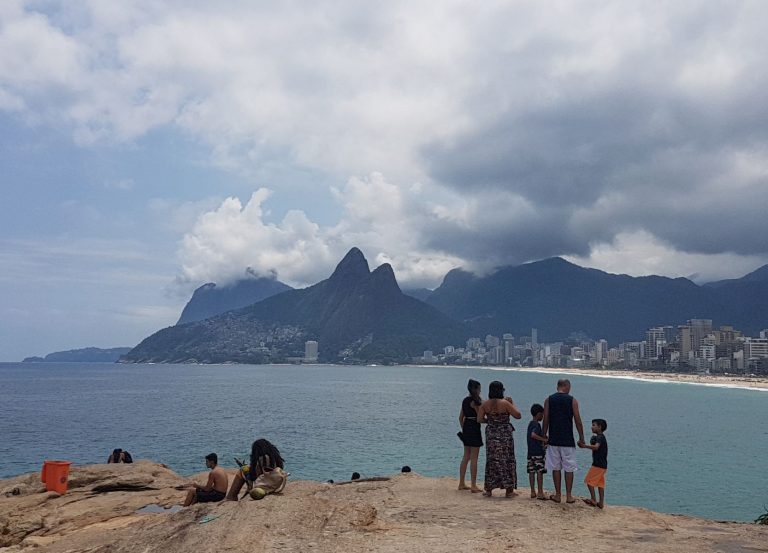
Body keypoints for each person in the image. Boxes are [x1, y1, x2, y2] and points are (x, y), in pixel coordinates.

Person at [542, 379, 585, 504]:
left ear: (558, 387)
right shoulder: (572, 400)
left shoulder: (548, 400)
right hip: (567, 439)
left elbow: (546, 419)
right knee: (569, 468)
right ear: (566, 386)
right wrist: (581, 437)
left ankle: (558, 495)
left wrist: (544, 435)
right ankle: (569, 496)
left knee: (555, 467)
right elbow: (577, 420)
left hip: (554, 439)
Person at [476, 380, 521, 497]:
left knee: (492, 460)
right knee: (507, 460)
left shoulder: (485, 404)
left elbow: (479, 419)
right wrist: (512, 403)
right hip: (505, 434)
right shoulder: (505, 403)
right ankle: (509, 490)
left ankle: (489, 489)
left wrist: (491, 421)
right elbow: (518, 415)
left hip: (491, 434)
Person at [458, 378, 483, 492]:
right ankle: (473, 485)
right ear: (476, 389)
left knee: (466, 456)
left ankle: (461, 483)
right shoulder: (476, 401)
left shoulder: (464, 400)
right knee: (474, 458)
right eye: (479, 389)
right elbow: (479, 417)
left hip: (466, 425)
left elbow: (460, 418)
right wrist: (476, 408)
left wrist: (464, 429)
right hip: (474, 427)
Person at [579, 419, 608, 509]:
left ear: (599, 427)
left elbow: (596, 447)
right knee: (600, 484)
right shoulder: (600, 437)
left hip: (598, 465)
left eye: (594, 425)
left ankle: (593, 500)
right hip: (603, 465)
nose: (592, 427)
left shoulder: (600, 437)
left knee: (589, 482)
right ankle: (601, 503)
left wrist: (584, 446)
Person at [526, 403, 548, 500]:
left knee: (531, 472)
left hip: (530, 453)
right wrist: (544, 440)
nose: (543, 416)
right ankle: (540, 492)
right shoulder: (536, 424)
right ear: (538, 414)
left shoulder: (530, 423)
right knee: (539, 472)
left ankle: (532, 491)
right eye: (542, 414)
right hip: (538, 453)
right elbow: (533, 435)